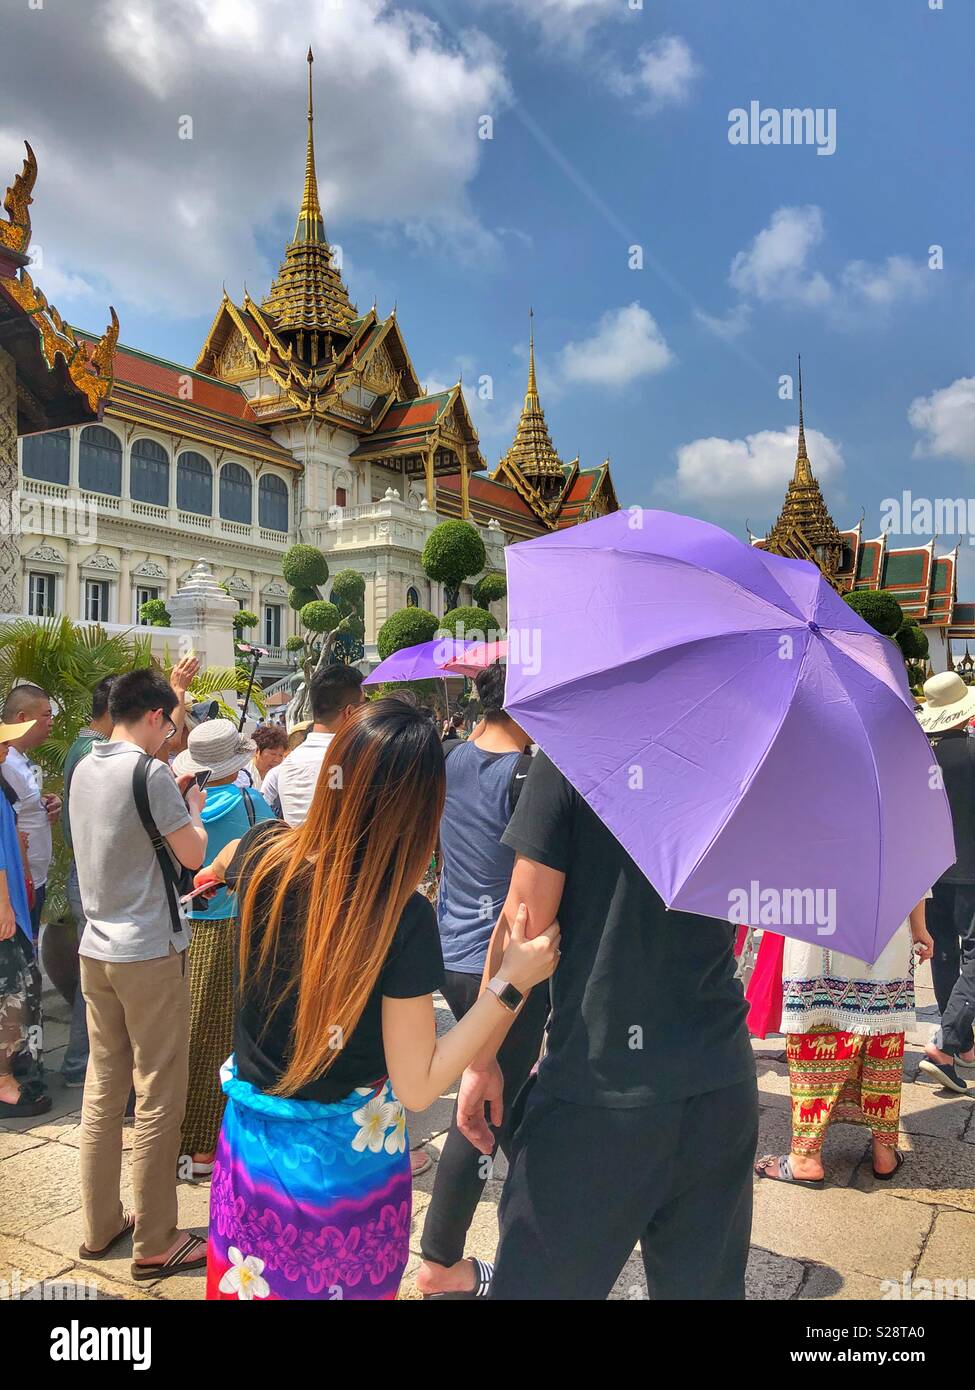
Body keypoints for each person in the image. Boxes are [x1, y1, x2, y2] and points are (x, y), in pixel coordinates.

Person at [199, 699, 559, 1301]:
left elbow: (225, 860)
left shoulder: (265, 852)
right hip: (344, 1176)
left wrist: (210, 872)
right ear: (422, 810)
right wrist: (508, 986)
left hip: (250, 1158)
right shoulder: (401, 915)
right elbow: (419, 1085)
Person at [456, 750, 758, 1301]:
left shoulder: (577, 747)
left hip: (598, 1088)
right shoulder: (734, 749)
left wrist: (481, 1059)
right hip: (719, 1077)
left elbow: (522, 924)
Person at [70, 669, 209, 1281]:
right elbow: (194, 854)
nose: (171, 736)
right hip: (147, 951)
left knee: (104, 1088)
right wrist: (193, 807)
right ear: (154, 715)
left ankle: (101, 1224)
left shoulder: (82, 767)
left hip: (94, 946)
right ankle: (156, 1237)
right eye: (170, 724)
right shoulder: (149, 772)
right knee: (158, 1091)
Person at [417, 662, 544, 1299]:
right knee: (483, 1103)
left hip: (451, 954)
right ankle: (441, 1261)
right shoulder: (528, 774)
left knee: (505, 1098)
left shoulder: (447, 760)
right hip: (506, 966)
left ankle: (535, 1227)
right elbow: (527, 897)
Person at [754, 900, 933, 1188]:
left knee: (815, 1040)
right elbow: (914, 869)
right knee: (881, 1040)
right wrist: (919, 926)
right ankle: (884, 1151)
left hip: (816, 933)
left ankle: (806, 1157)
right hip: (885, 939)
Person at [172, 720, 276, 1176]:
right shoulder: (251, 802)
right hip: (235, 923)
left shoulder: (180, 806)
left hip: (185, 925)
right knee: (220, 1037)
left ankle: (183, 1136)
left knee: (191, 1030)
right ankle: (203, 1148)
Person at [915, 673, 975, 1092]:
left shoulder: (916, 755)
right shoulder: (971, 752)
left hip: (931, 868)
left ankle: (963, 1042)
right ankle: (946, 1043)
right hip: (971, 869)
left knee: (942, 953)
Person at [59, 675, 117, 1089]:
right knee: (93, 980)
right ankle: (81, 1064)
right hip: (91, 874)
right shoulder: (93, 752)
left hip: (85, 871)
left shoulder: (82, 747)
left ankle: (83, 1063)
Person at [0, 715, 51, 1118]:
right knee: (15, 990)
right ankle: (3, 1079)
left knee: (21, 985)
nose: (6, 750)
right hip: (6, 907)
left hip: (14, 900)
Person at [261, 665, 365, 824]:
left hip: (294, 848)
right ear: (349, 711)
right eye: (363, 705)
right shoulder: (356, 758)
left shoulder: (288, 763)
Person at [0, 685, 60, 946]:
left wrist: (47, 801)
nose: (51, 722)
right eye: (46, 715)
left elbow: (24, 809)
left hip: (30, 879)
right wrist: (21, 884)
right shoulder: (8, 764)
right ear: (22, 718)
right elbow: (11, 833)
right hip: (19, 884)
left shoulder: (18, 761)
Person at [239, 723, 287, 793]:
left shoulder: (281, 774)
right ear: (257, 751)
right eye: (272, 754)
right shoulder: (242, 774)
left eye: (280, 755)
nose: (277, 760)